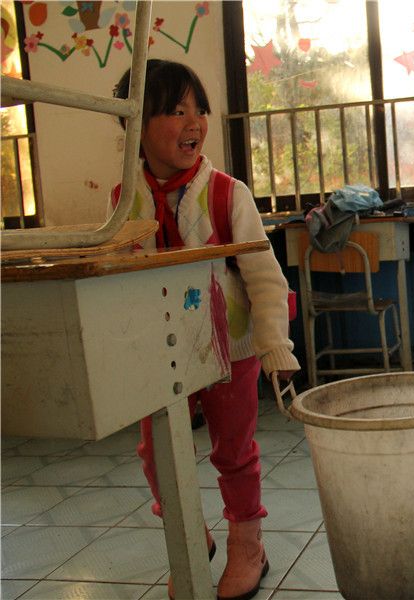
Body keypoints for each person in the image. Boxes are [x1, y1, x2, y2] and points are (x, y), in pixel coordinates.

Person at [110, 59, 300, 600]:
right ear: (134, 124)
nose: (194, 122)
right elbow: (117, 283)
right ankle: (190, 538)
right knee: (155, 455)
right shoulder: (122, 203)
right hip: (160, 351)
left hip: (228, 348)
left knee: (233, 451)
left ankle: (248, 543)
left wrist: (274, 346)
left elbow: (264, 277)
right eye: (176, 110)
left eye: (200, 110)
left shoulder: (227, 193)